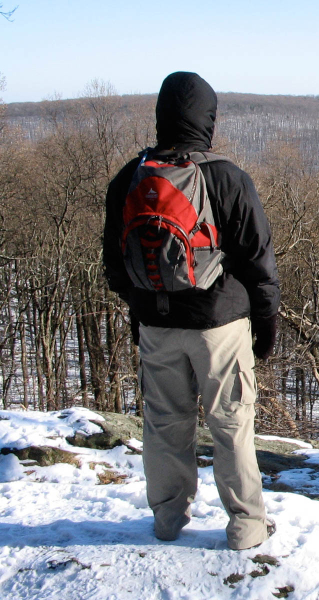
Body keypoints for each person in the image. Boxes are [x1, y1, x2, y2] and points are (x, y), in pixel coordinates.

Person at [103, 72, 280, 550]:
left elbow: (114, 266)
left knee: (163, 425)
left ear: (161, 116)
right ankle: (245, 527)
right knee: (231, 423)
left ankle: (166, 519)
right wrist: (265, 326)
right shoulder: (226, 177)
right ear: (208, 118)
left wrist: (147, 306)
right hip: (219, 327)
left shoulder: (129, 178)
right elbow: (259, 263)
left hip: (157, 327)